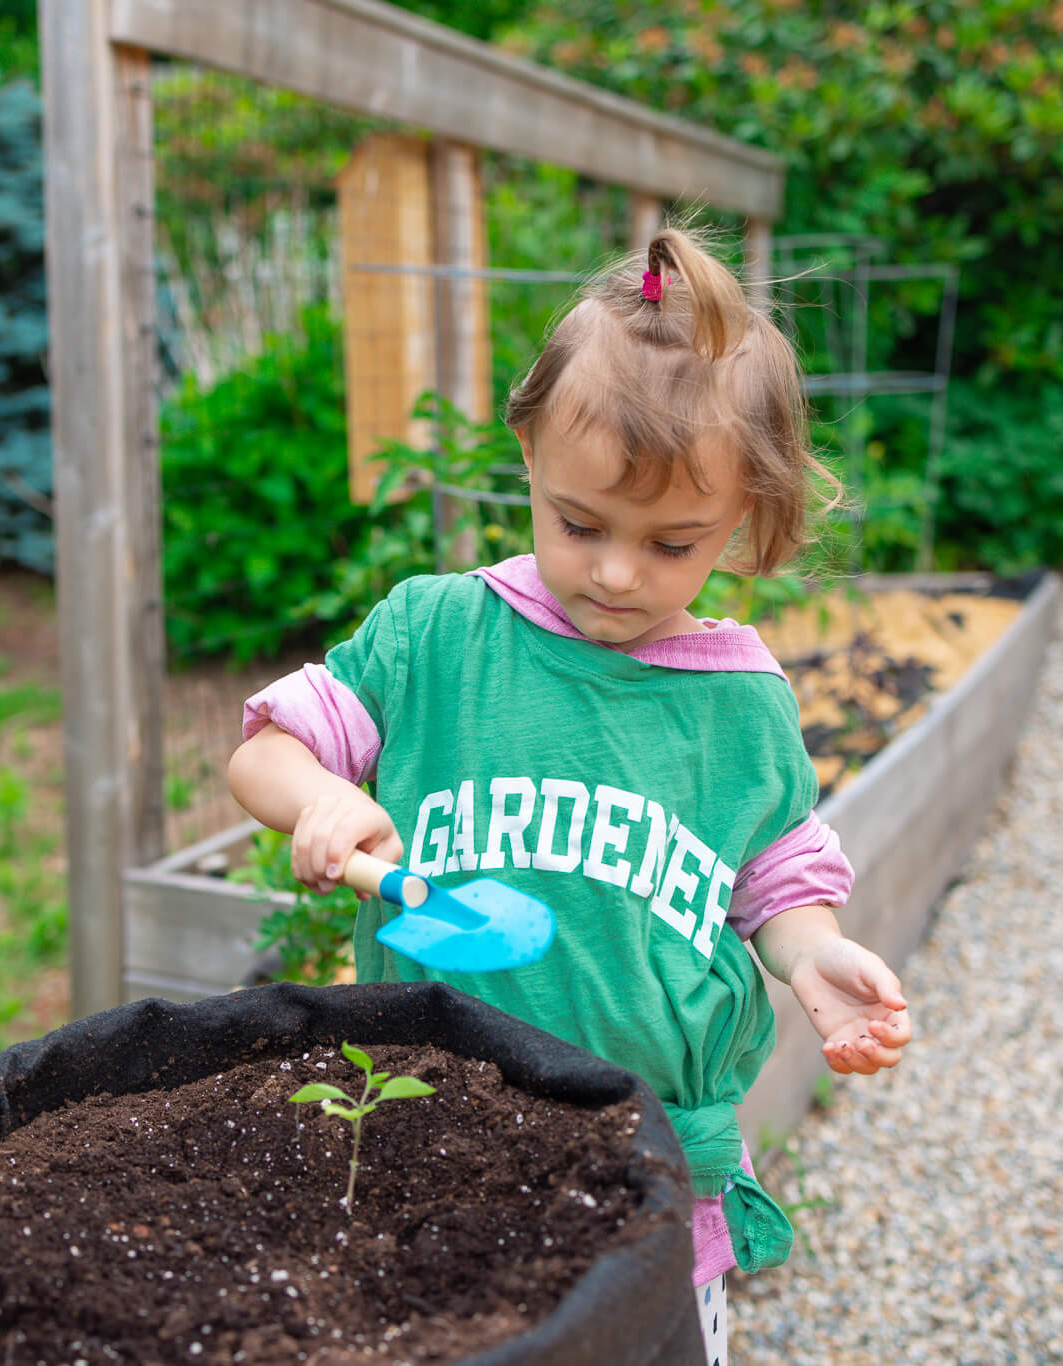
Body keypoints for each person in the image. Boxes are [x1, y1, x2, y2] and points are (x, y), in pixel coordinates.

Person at [225, 226, 913, 1366]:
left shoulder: (736, 704)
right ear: (530, 454)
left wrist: (811, 953)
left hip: (644, 1157)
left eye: (670, 542)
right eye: (578, 523)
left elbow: (773, 873)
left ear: (742, 514)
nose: (612, 572)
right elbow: (265, 745)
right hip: (428, 1128)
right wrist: (316, 799)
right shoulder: (438, 634)